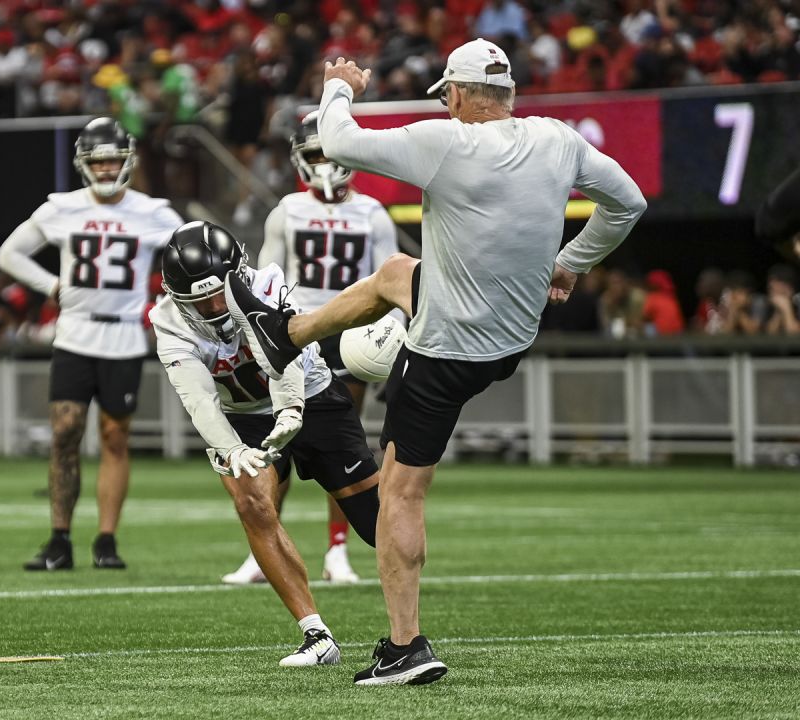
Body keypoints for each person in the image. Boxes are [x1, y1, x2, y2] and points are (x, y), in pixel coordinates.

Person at [224, 40, 646, 685]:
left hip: (447, 346)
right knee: (396, 273)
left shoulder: (446, 142)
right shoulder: (558, 140)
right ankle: (294, 332)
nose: (445, 103)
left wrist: (338, 85)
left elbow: (335, 141)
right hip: (510, 333)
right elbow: (629, 203)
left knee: (401, 491)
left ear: (457, 93)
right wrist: (571, 263)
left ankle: (404, 646)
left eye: (447, 94)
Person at [152, 221, 382, 667]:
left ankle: (404, 637)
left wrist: (291, 411)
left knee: (378, 526)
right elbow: (198, 400)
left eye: (219, 293)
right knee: (252, 503)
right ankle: (316, 636)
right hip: (241, 416)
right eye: (199, 301)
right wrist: (232, 450)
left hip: (310, 394)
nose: (215, 307)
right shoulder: (168, 321)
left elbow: (284, 361)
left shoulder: (269, 283)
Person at [0, 117, 183, 571]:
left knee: (115, 437)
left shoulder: (154, 212)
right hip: (75, 331)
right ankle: (59, 538)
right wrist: (52, 286)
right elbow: (9, 253)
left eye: (112, 161)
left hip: (123, 333)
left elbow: (191, 255)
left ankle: (106, 539)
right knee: (65, 433)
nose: (104, 170)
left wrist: (168, 303)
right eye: (97, 162)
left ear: (128, 161)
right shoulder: (61, 208)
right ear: (84, 164)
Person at [223, 111, 398, 587]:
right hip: (298, 330)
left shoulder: (372, 213)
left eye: (330, 152)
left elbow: (391, 280)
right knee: (274, 438)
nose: (323, 163)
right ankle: (264, 547)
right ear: (300, 160)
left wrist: (392, 331)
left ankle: (337, 549)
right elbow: (265, 281)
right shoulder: (287, 209)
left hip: (353, 328)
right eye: (315, 153)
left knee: (343, 441)